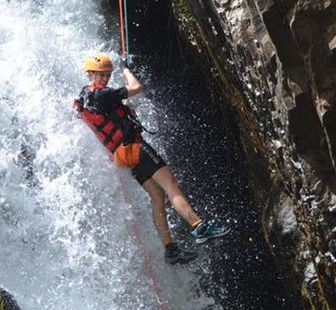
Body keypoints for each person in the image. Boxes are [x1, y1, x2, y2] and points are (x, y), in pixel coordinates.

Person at [74, 53, 229, 264]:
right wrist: (126, 70)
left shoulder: (85, 95)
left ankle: (170, 250)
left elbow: (110, 112)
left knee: (158, 197)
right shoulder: (103, 95)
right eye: (100, 75)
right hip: (135, 148)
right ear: (90, 74)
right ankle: (199, 227)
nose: (104, 79)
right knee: (171, 184)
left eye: (107, 75)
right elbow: (136, 88)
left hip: (124, 156)